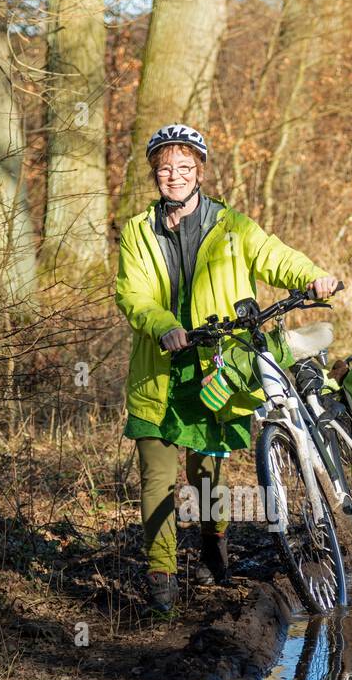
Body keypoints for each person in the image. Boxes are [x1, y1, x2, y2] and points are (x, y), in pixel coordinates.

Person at [116, 123, 340, 614]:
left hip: (217, 365)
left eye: (183, 168)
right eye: (164, 169)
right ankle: (161, 571)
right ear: (154, 174)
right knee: (157, 474)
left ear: (199, 171)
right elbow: (132, 294)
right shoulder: (137, 231)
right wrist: (163, 325)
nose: (173, 177)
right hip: (159, 367)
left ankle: (214, 540)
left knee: (208, 470)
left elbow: (273, 255)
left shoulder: (231, 225)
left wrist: (312, 276)